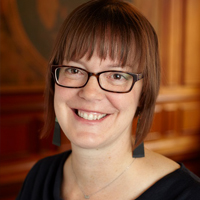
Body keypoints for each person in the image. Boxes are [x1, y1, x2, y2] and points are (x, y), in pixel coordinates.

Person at [17, 0, 200, 199]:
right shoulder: (39, 176)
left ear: (143, 93)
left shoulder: (188, 195)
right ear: (55, 82)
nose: (90, 93)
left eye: (116, 75)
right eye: (74, 70)